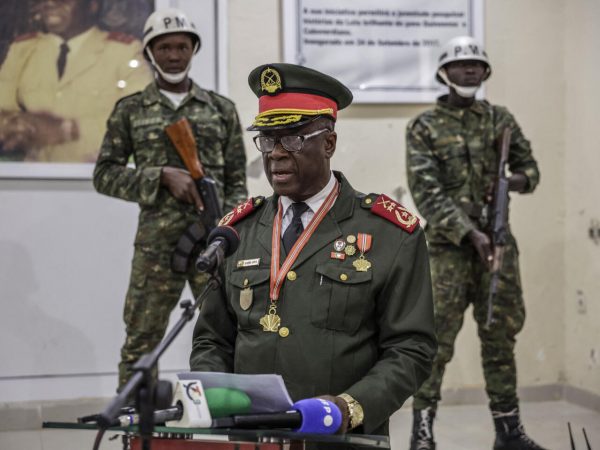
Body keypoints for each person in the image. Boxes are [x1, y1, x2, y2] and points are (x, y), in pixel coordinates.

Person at [189, 62, 437, 441]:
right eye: (267, 140)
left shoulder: (390, 234)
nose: (275, 154)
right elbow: (212, 339)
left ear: (329, 143)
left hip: (341, 438)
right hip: (252, 437)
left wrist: (350, 407)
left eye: (292, 139)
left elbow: (412, 348)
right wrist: (218, 397)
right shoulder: (238, 232)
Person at [93, 8, 247, 391]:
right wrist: (159, 176)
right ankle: (135, 415)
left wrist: (228, 229)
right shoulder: (130, 110)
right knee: (141, 340)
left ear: (193, 50)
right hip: (156, 248)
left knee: (226, 334)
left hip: (211, 244)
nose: (174, 55)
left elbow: (237, 181)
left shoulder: (221, 109)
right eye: (164, 47)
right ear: (149, 52)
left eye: (182, 46)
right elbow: (104, 174)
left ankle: (227, 412)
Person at [406, 36, 545, 450]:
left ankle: (509, 432)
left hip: (497, 246)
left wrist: (509, 181)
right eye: (460, 64)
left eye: (476, 64)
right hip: (447, 251)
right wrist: (469, 232)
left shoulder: (501, 120)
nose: (469, 70)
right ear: (444, 72)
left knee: (500, 337)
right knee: (434, 343)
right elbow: (426, 193)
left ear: (485, 72)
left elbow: (531, 171)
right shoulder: (424, 126)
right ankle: (422, 433)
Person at [0, 0, 151, 162]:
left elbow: (142, 119)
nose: (50, 3)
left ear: (92, 5)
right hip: (35, 172)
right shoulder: (23, 49)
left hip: (94, 172)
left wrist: (70, 130)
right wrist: (14, 126)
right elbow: (3, 107)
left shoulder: (124, 51)